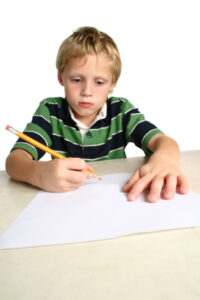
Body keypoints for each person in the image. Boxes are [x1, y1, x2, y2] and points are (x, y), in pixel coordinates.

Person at [6, 26, 189, 202]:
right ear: (61, 77)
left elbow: (163, 142)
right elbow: (14, 161)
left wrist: (164, 159)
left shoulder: (121, 110)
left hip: (114, 200)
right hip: (65, 204)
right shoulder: (50, 111)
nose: (87, 91)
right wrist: (39, 173)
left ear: (113, 83)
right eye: (76, 80)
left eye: (99, 82)